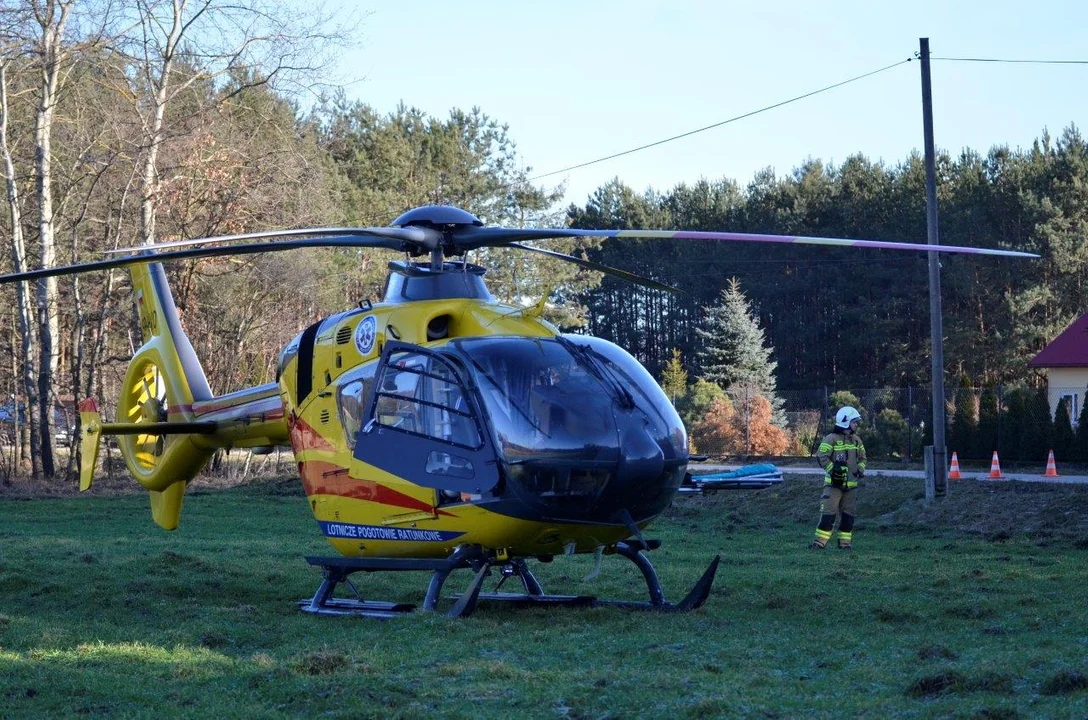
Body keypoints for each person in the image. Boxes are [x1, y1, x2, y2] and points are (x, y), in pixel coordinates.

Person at [810, 406, 867, 550]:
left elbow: (863, 458)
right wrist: (833, 471)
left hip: (851, 486)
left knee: (848, 517)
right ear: (845, 421)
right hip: (833, 486)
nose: (856, 424)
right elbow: (821, 456)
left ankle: (845, 544)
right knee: (828, 515)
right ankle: (819, 543)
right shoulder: (831, 439)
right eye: (854, 422)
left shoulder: (856, 441)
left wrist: (860, 469)